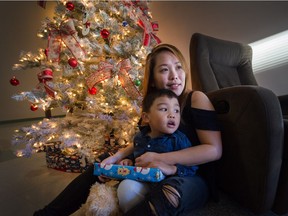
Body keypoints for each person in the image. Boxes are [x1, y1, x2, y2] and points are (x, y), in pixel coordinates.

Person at [33, 43, 222, 216]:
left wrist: (161, 159)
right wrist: (119, 159)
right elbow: (142, 141)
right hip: (152, 172)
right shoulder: (151, 107)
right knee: (102, 164)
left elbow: (213, 150)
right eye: (165, 70)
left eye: (178, 67)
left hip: (190, 177)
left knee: (170, 194)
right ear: (154, 80)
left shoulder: (196, 98)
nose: (175, 75)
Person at [109, 88, 197, 213]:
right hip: (143, 183)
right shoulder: (140, 137)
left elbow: (193, 167)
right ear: (146, 117)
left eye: (176, 110)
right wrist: (128, 161)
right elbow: (137, 156)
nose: (172, 114)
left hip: (167, 187)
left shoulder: (178, 140)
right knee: (125, 188)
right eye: (164, 109)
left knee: (165, 199)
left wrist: (173, 169)